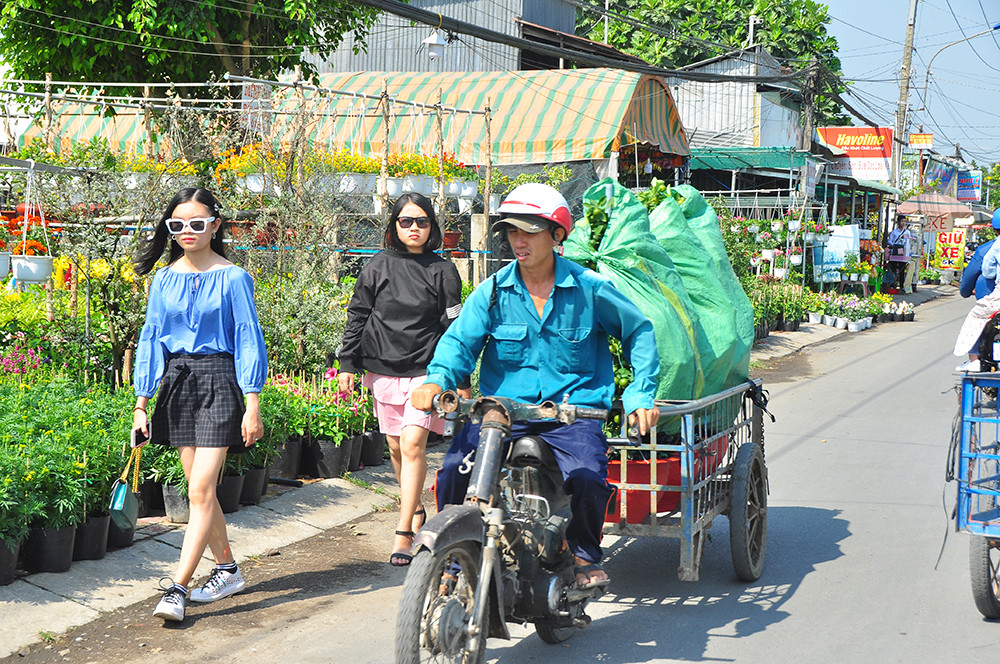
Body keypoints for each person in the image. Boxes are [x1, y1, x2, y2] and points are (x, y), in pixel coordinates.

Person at [411, 183, 661, 591]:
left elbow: (639, 332)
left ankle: (584, 553)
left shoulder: (590, 289)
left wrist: (640, 395)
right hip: (503, 413)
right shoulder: (494, 291)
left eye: (529, 231)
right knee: (454, 471)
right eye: (512, 231)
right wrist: (436, 379)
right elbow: (459, 342)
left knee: (588, 477)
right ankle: (453, 557)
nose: (518, 241)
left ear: (557, 234)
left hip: (571, 415)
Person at [132, 187, 267, 622]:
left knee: (200, 490)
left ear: (215, 224)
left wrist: (252, 402)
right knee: (200, 492)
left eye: (196, 223)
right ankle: (227, 569)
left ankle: (177, 588)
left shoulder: (234, 278)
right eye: (177, 224)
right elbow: (151, 338)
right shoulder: (163, 279)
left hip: (219, 382)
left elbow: (248, 337)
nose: (186, 231)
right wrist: (140, 403)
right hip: (177, 384)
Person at [337, 193, 467, 566]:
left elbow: (454, 326)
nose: (414, 228)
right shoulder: (377, 266)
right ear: (394, 226)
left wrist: (459, 375)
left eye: (422, 221)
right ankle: (416, 509)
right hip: (382, 368)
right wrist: (347, 363)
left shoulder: (443, 270)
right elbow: (358, 314)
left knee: (412, 445)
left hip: (427, 372)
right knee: (395, 449)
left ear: (432, 226)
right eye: (406, 221)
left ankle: (404, 530)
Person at [955, 209, 1000, 371]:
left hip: (995, 301)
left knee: (975, 319)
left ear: (994, 229)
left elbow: (984, 271)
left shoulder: (991, 248)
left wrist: (966, 291)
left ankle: (974, 359)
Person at [886, 216, 913, 292]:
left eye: (905, 221)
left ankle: (901, 286)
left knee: (902, 269)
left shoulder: (907, 232)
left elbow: (908, 242)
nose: (903, 223)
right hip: (895, 253)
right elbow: (889, 241)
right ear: (898, 222)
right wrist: (894, 245)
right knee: (893, 268)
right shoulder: (894, 232)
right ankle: (892, 284)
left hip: (903, 253)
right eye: (902, 221)